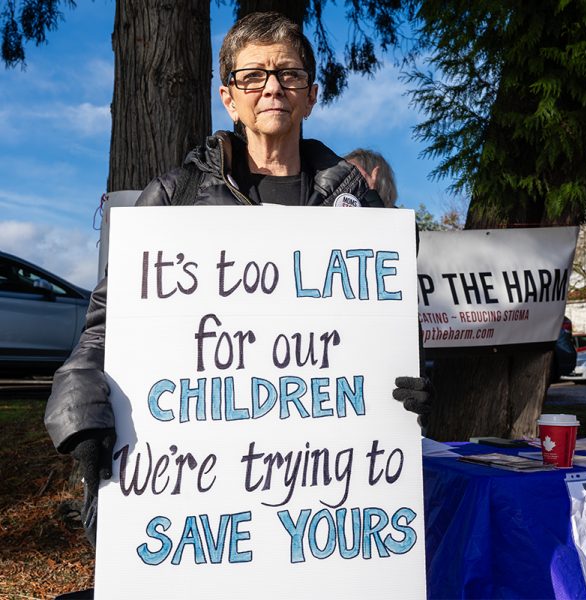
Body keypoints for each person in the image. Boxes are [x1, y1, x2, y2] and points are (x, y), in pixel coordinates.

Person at [43, 11, 432, 547]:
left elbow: (391, 330)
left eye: (289, 74)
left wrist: (412, 383)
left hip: (325, 487)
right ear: (228, 98)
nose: (272, 87)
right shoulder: (175, 197)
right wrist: (83, 421)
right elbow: (104, 330)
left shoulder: (356, 206)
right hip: (196, 489)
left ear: (311, 96)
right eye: (253, 76)